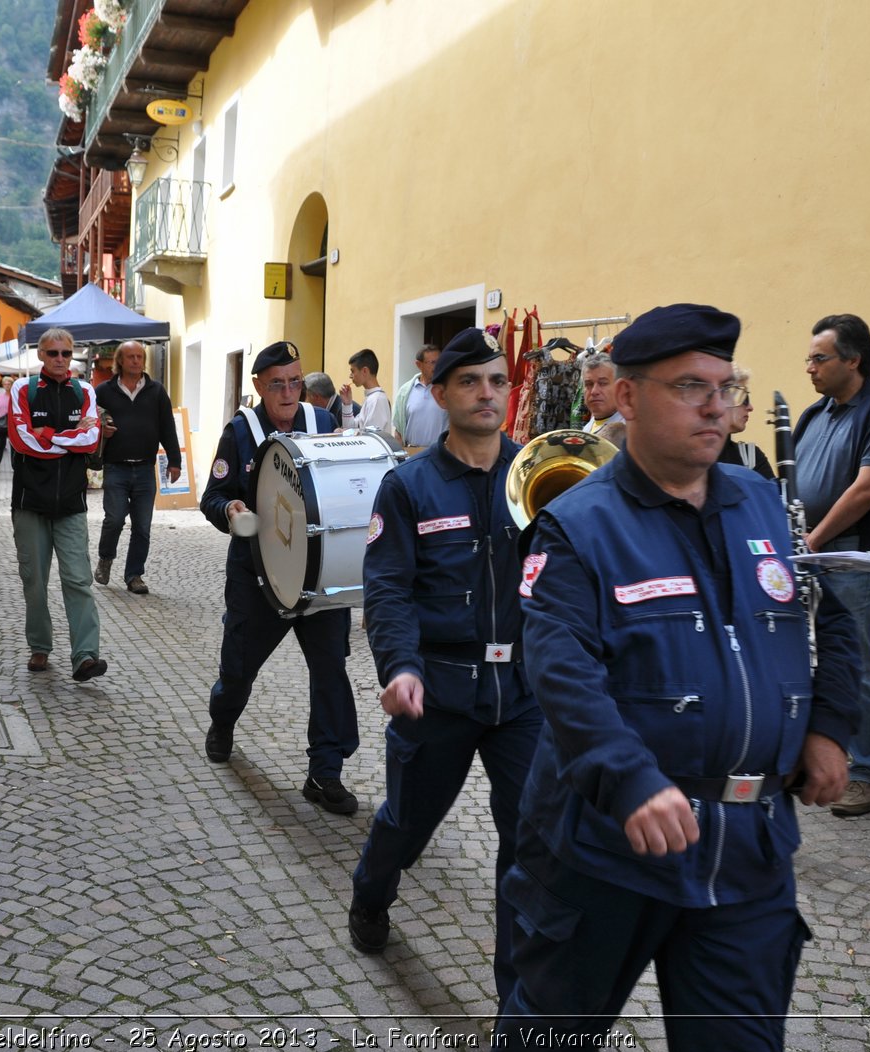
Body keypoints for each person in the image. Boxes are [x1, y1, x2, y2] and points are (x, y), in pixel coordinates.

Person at [492, 303, 861, 1052]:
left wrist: (829, 721)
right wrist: (629, 777)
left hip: (748, 849)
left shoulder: (763, 501)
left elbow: (832, 612)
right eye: (692, 385)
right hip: (606, 852)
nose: (716, 406)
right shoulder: (577, 523)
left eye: (726, 387)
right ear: (628, 397)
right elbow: (560, 669)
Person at [351, 326, 541, 1005]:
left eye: (497, 380)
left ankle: (518, 1016)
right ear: (440, 392)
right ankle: (371, 893)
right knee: (408, 819)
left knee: (530, 843)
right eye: (470, 381)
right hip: (438, 689)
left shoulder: (538, 476)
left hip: (522, 693)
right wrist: (398, 666)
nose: (487, 393)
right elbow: (389, 588)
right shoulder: (409, 486)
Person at [201, 340, 360, 815]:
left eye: (296, 381)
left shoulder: (323, 423)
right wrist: (229, 508)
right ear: (258, 387)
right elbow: (213, 494)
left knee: (331, 671)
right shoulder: (240, 431)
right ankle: (223, 720)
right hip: (259, 578)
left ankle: (324, 772)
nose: (290, 392)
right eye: (278, 384)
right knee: (238, 669)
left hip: (318, 576)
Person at [794, 313, 870, 817]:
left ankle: (866, 771)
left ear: (853, 360)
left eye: (819, 358)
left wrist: (812, 538)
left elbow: (867, 487)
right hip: (809, 554)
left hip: (850, 554)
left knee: (857, 667)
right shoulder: (816, 413)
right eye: (809, 357)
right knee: (805, 660)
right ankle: (814, 752)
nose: (809, 367)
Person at [6, 327, 107, 682]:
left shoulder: (86, 391)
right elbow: (21, 442)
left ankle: (85, 656)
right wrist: (70, 437)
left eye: (66, 353)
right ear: (41, 355)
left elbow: (92, 437)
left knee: (78, 580)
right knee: (34, 581)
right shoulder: (23, 389)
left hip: (71, 504)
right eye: (53, 353)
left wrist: (46, 433)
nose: (61, 360)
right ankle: (40, 645)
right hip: (29, 502)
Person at [94, 341, 183, 595]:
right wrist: (102, 429)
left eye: (139, 356)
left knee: (142, 526)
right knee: (114, 519)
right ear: (120, 361)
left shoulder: (156, 391)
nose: (136, 361)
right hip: (116, 467)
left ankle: (134, 575)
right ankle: (106, 557)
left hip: (145, 468)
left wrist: (175, 461)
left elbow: (168, 427)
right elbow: (89, 420)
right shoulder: (104, 391)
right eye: (130, 357)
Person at [717, 361, 776, 478]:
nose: (750, 407)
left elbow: (770, 495)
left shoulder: (750, 456)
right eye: (744, 398)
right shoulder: (688, 454)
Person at [392, 343, 448, 447]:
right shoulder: (405, 392)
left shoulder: (447, 389)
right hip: (412, 454)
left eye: (439, 362)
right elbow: (399, 430)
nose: (437, 366)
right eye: (432, 362)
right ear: (419, 365)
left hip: (440, 453)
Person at [340, 348, 393, 434]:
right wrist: (347, 404)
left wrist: (346, 432)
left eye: (353, 371)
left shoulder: (376, 400)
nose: (350, 376)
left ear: (364, 371)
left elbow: (370, 437)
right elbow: (350, 427)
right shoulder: (371, 398)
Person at [579, 349, 625, 434]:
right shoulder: (587, 428)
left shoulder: (629, 431)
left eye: (603, 383)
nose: (594, 391)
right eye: (589, 384)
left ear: (619, 388)